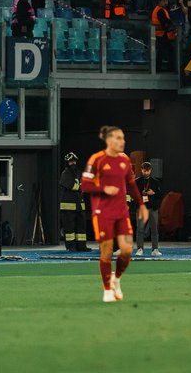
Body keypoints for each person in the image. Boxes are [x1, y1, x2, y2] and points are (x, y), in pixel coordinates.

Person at [80, 126, 147, 302]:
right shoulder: (97, 159)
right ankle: (107, 289)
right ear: (109, 141)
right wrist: (103, 188)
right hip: (102, 213)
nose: (122, 141)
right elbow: (85, 185)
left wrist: (141, 205)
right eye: (118, 138)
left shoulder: (125, 161)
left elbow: (131, 185)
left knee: (127, 251)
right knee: (107, 251)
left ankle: (116, 279)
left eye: (123, 138)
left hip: (121, 212)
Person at [58, 152, 88, 252]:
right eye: (71, 161)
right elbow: (73, 186)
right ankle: (71, 246)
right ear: (67, 162)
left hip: (79, 206)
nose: (73, 163)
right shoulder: (65, 174)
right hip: (68, 207)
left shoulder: (79, 173)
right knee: (69, 228)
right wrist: (81, 186)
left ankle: (81, 246)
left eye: (74, 161)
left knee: (81, 228)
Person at [136, 161, 163, 258]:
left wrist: (154, 193)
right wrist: (140, 194)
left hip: (152, 208)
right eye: (144, 171)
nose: (145, 172)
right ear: (141, 170)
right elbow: (133, 195)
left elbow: (161, 195)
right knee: (140, 229)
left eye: (147, 171)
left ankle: (155, 249)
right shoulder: (137, 182)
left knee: (154, 229)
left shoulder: (156, 182)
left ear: (150, 170)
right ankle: (140, 249)